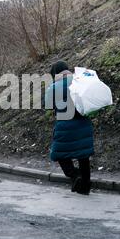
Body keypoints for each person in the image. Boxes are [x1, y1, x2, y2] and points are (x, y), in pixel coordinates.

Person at [45, 61, 95, 195]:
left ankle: (74, 175)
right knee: (83, 155)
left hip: (64, 125)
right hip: (84, 123)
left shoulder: (54, 87)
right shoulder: (80, 82)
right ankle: (85, 186)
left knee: (59, 153)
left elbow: (48, 105)